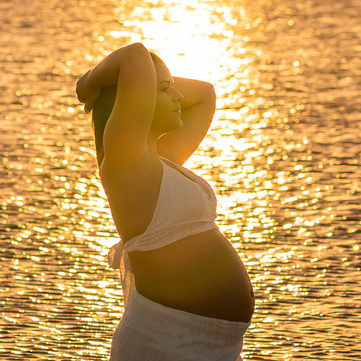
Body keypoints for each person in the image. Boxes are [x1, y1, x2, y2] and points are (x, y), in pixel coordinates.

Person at [75, 42, 253, 361]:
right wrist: (88, 84)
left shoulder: (161, 159)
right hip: (167, 341)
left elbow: (205, 94)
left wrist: (159, 80)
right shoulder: (127, 160)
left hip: (214, 344)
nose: (179, 97)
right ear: (136, 98)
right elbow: (134, 55)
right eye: (166, 89)